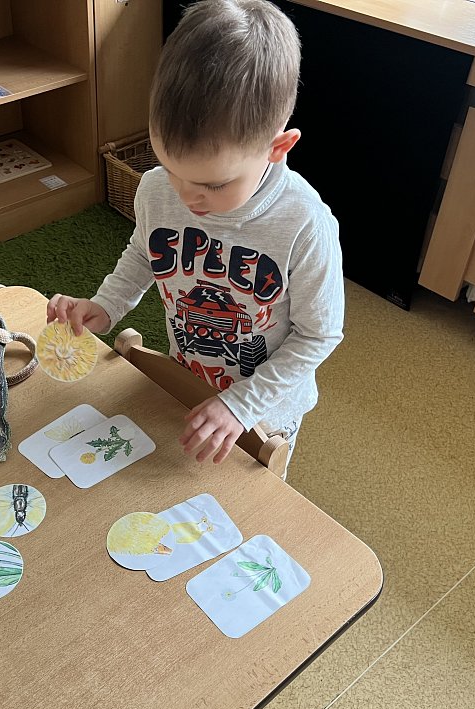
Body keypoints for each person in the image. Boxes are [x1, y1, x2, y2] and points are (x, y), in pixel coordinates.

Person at [47, 0, 344, 471]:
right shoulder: (156, 190)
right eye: (169, 167)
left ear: (278, 148)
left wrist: (241, 405)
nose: (186, 196)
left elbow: (317, 336)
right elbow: (144, 254)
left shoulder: (305, 225)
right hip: (188, 379)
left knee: (250, 497)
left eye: (214, 184)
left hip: (264, 413)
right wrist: (105, 306)